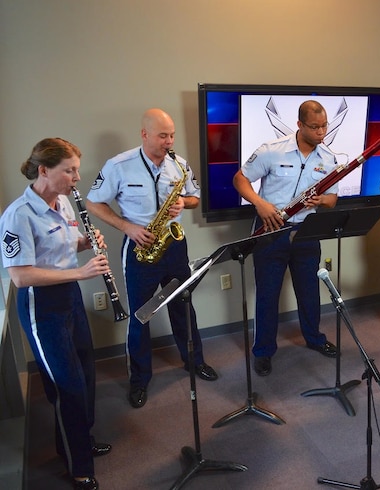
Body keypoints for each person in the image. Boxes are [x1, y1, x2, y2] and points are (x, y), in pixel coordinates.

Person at [86, 108, 218, 409]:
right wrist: (127, 227)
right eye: (162, 135)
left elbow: (195, 197)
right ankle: (139, 380)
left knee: (183, 306)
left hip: (173, 246)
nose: (169, 141)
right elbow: (94, 203)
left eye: (171, 135)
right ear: (144, 134)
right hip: (139, 247)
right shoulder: (119, 165)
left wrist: (184, 201)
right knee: (140, 315)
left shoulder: (178, 164)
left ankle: (194, 361)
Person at [0, 138, 112, 490]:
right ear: (45, 170)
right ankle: (78, 465)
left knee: (86, 373)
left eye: (77, 169)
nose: (77, 178)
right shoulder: (18, 214)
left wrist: (87, 242)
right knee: (67, 386)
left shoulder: (61, 201)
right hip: (41, 306)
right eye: (70, 170)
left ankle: (79, 439)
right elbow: (20, 275)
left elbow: (65, 243)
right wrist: (81, 272)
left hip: (70, 297)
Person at [233, 100, 339, 377]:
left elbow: (333, 199)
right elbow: (240, 179)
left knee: (309, 292)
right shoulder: (272, 151)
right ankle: (264, 352)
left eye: (324, 126)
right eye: (314, 127)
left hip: (307, 232)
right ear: (300, 125)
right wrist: (259, 203)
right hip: (272, 230)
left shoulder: (328, 158)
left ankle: (314, 338)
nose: (321, 132)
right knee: (268, 294)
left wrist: (322, 199)